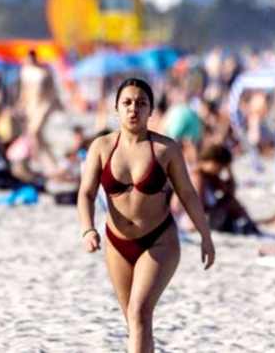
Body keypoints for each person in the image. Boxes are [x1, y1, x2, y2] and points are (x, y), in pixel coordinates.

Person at [77, 78, 215, 353]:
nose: (133, 109)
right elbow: (86, 193)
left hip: (158, 240)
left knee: (139, 312)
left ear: (151, 110)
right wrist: (87, 229)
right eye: (127, 103)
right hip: (117, 243)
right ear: (116, 107)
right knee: (134, 321)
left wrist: (205, 236)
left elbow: (187, 193)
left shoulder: (165, 149)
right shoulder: (102, 147)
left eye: (141, 103)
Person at [193, 144, 275, 235]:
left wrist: (230, 171)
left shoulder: (210, 177)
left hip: (210, 215)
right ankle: (253, 225)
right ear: (213, 162)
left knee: (231, 203)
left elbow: (230, 192)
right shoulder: (198, 177)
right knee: (230, 204)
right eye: (220, 167)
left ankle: (252, 225)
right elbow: (197, 204)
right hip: (202, 218)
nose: (220, 171)